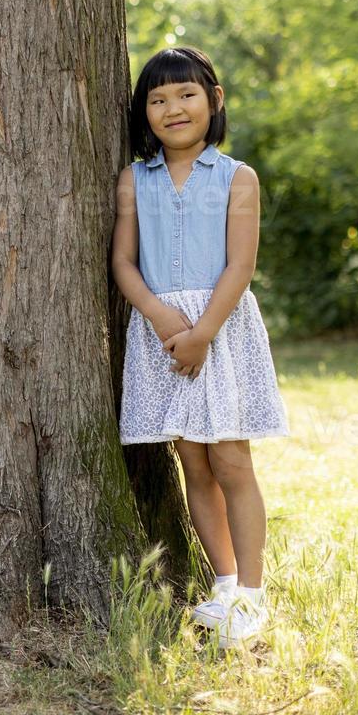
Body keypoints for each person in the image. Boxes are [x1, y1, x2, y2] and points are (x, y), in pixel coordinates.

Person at [111, 47, 289, 650]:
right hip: (163, 335)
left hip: (221, 331)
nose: (172, 108)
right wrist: (164, 319)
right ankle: (223, 583)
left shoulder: (237, 177)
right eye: (157, 100)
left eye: (185, 94)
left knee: (232, 461)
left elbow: (242, 264)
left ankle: (255, 596)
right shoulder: (136, 178)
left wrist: (204, 331)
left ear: (214, 100)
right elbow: (123, 261)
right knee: (195, 462)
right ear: (144, 113)